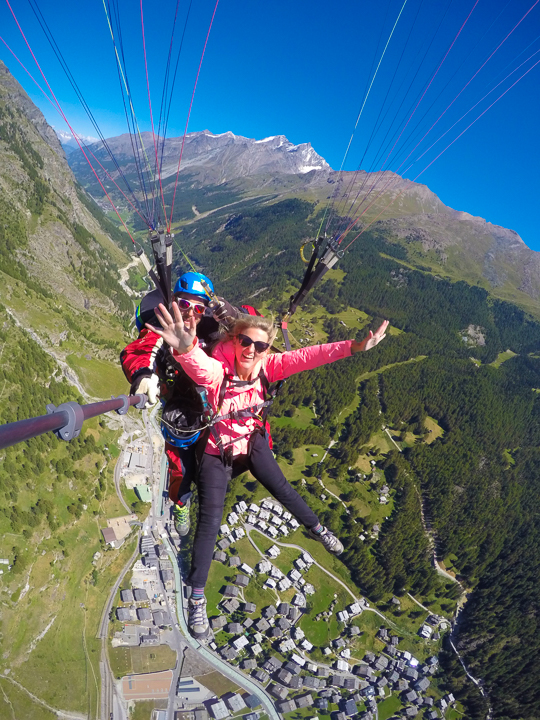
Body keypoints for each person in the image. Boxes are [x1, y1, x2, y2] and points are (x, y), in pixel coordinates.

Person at [149, 303, 389, 639]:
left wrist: (355, 347)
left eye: (260, 346)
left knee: (282, 487)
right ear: (233, 340)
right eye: (245, 342)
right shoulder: (219, 368)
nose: (252, 350)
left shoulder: (270, 366)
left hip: (251, 439)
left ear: (267, 348)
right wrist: (185, 347)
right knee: (211, 520)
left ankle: (317, 528)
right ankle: (197, 597)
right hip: (217, 448)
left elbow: (312, 355)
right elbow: (200, 369)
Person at [121, 271, 258, 536]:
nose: (190, 314)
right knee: (180, 469)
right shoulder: (164, 326)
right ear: (173, 302)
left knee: (229, 461)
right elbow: (144, 349)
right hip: (180, 413)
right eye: (184, 305)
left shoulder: (215, 327)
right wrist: (144, 375)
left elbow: (255, 324)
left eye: (199, 308)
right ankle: (181, 501)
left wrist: (231, 318)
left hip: (216, 412)